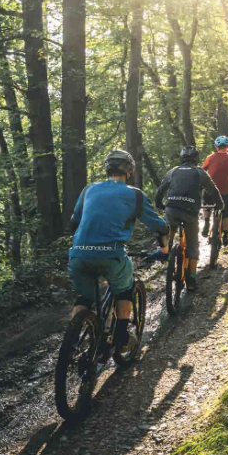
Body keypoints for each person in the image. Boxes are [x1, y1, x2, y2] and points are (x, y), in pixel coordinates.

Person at [69, 150, 169, 355]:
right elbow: (157, 225)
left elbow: (73, 222)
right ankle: (122, 338)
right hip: (112, 255)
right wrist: (165, 232)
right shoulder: (135, 194)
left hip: (78, 254)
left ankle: (71, 344)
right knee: (124, 290)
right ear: (130, 171)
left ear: (107, 169)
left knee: (84, 298)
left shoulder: (89, 189)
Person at [154, 145, 222, 292]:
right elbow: (213, 189)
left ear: (182, 158)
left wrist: (160, 204)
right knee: (193, 245)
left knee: (169, 225)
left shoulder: (172, 171)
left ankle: (167, 247)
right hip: (190, 212)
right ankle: (191, 279)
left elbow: (160, 190)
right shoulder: (200, 172)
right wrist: (220, 203)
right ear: (196, 159)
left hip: (171, 209)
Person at [201, 135, 228, 248]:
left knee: (207, 205)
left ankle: (206, 221)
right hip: (226, 193)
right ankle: (225, 235)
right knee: (227, 213)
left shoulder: (210, 158)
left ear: (216, 147)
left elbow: (202, 173)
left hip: (211, 191)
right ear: (227, 147)